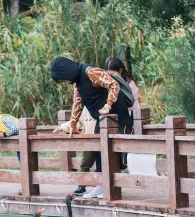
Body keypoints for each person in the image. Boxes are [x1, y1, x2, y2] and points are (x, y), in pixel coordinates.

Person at [50, 56, 124, 199]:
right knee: (98, 151)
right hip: (101, 121)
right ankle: (101, 187)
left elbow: (114, 84)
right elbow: (77, 102)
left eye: (62, 78)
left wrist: (108, 105)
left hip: (113, 117)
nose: (64, 82)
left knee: (108, 153)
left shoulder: (90, 72)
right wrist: (72, 123)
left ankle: (106, 188)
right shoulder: (77, 82)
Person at [104, 58, 137, 170]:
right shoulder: (106, 82)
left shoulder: (129, 83)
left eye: (114, 73)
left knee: (123, 143)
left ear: (121, 70)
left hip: (126, 117)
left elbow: (133, 103)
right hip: (112, 118)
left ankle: (123, 166)